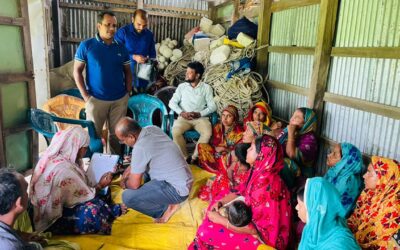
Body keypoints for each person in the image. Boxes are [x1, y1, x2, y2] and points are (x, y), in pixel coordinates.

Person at [190, 135, 292, 250]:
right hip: (250, 219)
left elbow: (254, 229)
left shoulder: (265, 187)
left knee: (205, 232)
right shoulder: (259, 172)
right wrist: (221, 202)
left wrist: (221, 220)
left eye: (252, 148)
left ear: (261, 155)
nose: (247, 149)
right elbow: (241, 190)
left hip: (266, 239)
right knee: (222, 194)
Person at [30, 127, 125, 234]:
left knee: (104, 194)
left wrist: (100, 185)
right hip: (53, 218)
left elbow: (82, 188)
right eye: (85, 147)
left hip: (62, 205)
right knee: (92, 212)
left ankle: (108, 209)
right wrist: (100, 185)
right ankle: (108, 210)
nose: (86, 150)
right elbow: (83, 195)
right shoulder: (64, 169)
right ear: (76, 146)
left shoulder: (59, 159)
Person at [74, 11, 132, 155]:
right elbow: (77, 71)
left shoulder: (121, 48)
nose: (112, 28)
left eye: (114, 25)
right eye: (108, 25)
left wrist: (127, 92)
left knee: (117, 136)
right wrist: (86, 97)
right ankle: (94, 167)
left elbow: (128, 72)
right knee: (93, 138)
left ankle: (114, 167)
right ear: (99, 26)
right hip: (96, 100)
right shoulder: (87, 46)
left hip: (119, 100)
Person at [116, 117, 193, 223]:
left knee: (127, 197)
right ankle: (160, 198)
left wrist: (125, 182)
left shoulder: (140, 148)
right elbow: (148, 153)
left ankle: (165, 209)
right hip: (185, 181)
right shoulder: (152, 129)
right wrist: (133, 165)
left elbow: (134, 185)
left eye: (123, 140)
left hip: (177, 191)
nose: (123, 143)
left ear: (131, 137)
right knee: (142, 169)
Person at [169, 61, 217, 164]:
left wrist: (199, 114)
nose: (186, 74)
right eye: (187, 71)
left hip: (200, 118)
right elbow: (172, 103)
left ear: (197, 75)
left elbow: (212, 106)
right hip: (184, 118)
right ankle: (186, 157)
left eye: (190, 72)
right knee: (175, 132)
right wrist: (182, 113)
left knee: (207, 132)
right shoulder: (182, 87)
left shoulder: (206, 88)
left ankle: (194, 158)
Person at [348, 156, 400, 249]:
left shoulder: (394, 210)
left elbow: (379, 243)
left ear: (384, 179)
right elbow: (353, 221)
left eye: (369, 173)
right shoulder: (369, 194)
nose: (364, 176)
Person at [296, 177, 360, 249]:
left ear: (314, 209)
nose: (296, 207)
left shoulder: (340, 245)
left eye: (300, 205)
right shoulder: (311, 229)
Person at [115, 9, 156, 92]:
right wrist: (133, 56)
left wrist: (151, 61)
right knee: (126, 94)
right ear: (133, 19)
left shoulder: (149, 34)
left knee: (141, 94)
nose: (141, 28)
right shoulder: (123, 32)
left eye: (145, 25)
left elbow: (152, 54)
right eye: (139, 24)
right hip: (126, 70)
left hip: (143, 72)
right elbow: (116, 51)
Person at [277, 107, 318, 189]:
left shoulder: (310, 139)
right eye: (293, 116)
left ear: (306, 122)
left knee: (284, 163)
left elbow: (291, 155)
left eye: (297, 117)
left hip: (300, 175)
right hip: (287, 170)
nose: (292, 119)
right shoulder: (290, 131)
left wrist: (291, 134)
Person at [197, 105, 243, 173]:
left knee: (227, 158)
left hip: (228, 156)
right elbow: (211, 143)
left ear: (234, 118)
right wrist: (215, 148)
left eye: (229, 116)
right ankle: (212, 169)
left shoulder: (239, 132)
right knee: (201, 146)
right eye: (223, 115)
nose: (225, 118)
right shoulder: (217, 127)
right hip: (215, 153)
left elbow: (239, 151)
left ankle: (219, 172)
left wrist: (225, 149)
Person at [324, 143, 364, 217]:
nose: (329, 155)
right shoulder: (335, 173)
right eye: (332, 152)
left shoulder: (349, 181)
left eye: (335, 154)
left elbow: (337, 211)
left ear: (345, 161)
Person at [0, 169, 35, 249]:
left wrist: (19, 235)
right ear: (19, 203)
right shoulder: (13, 246)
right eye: (26, 190)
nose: (28, 194)